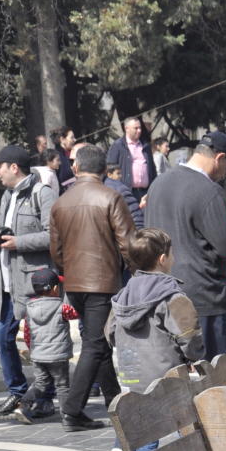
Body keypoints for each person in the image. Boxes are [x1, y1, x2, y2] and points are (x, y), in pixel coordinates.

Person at [111, 227, 205, 451]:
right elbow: (188, 334)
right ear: (163, 258)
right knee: (186, 432)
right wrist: (194, 357)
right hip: (167, 376)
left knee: (145, 439)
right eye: (172, 253)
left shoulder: (124, 294)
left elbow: (109, 332)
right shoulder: (171, 295)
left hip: (131, 375)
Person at [49, 144, 135, 430]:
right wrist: (135, 275)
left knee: (98, 344)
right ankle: (72, 409)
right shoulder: (111, 197)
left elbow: (56, 250)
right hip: (102, 280)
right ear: (105, 170)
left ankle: (115, 402)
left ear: (76, 168)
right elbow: (127, 243)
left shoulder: (61, 202)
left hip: (74, 281)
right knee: (95, 345)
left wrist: (69, 271)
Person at [143, 131, 226, 359]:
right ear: (220, 158)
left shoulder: (158, 184)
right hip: (205, 299)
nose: (224, 174)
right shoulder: (208, 190)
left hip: (163, 295)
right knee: (222, 377)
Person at [0, 144, 56, 417]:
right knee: (0, 336)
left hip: (36, 280)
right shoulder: (7, 196)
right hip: (6, 281)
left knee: (42, 341)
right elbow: (6, 231)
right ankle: (17, 392)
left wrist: (20, 242)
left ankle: (45, 396)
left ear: (14, 167)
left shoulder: (43, 194)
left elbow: (54, 236)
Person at [13, 268, 72, 424]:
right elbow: (76, 314)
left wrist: (33, 349)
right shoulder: (63, 308)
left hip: (38, 354)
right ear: (54, 289)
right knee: (62, 385)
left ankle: (23, 404)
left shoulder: (29, 309)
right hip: (58, 355)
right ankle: (68, 416)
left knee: (40, 383)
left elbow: (27, 333)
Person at [106, 117, 157, 201]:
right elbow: (109, 169)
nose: (139, 130)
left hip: (146, 192)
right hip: (127, 193)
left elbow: (152, 169)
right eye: (136, 128)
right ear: (127, 129)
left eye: (140, 128)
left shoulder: (145, 146)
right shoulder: (118, 146)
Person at [105, 164, 144, 229]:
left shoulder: (118, 188)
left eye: (120, 173)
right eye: (118, 173)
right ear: (109, 175)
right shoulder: (119, 188)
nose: (120, 176)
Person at [50, 126, 76, 190]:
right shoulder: (57, 157)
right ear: (62, 139)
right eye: (72, 137)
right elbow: (62, 182)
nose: (75, 140)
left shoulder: (66, 154)